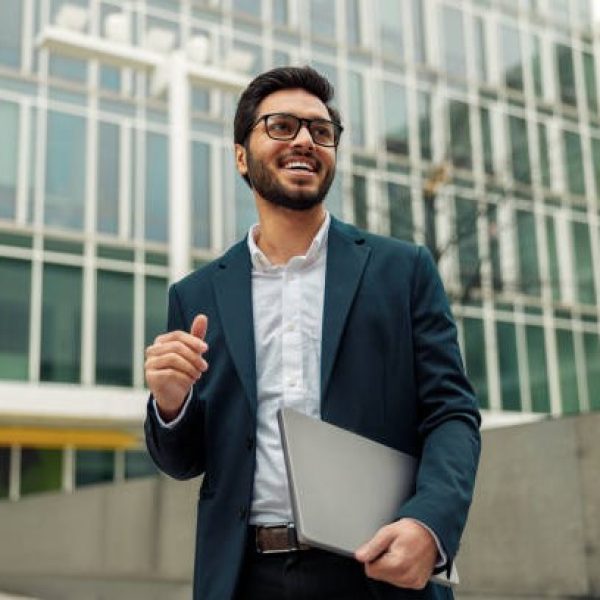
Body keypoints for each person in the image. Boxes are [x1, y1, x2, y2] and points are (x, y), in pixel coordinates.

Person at [144, 66, 481, 600]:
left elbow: (452, 414)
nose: (304, 139)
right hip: (241, 578)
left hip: (377, 571)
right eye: (281, 126)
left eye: (320, 131)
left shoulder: (404, 271)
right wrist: (170, 404)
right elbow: (184, 461)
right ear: (241, 156)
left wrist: (429, 522)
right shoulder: (196, 296)